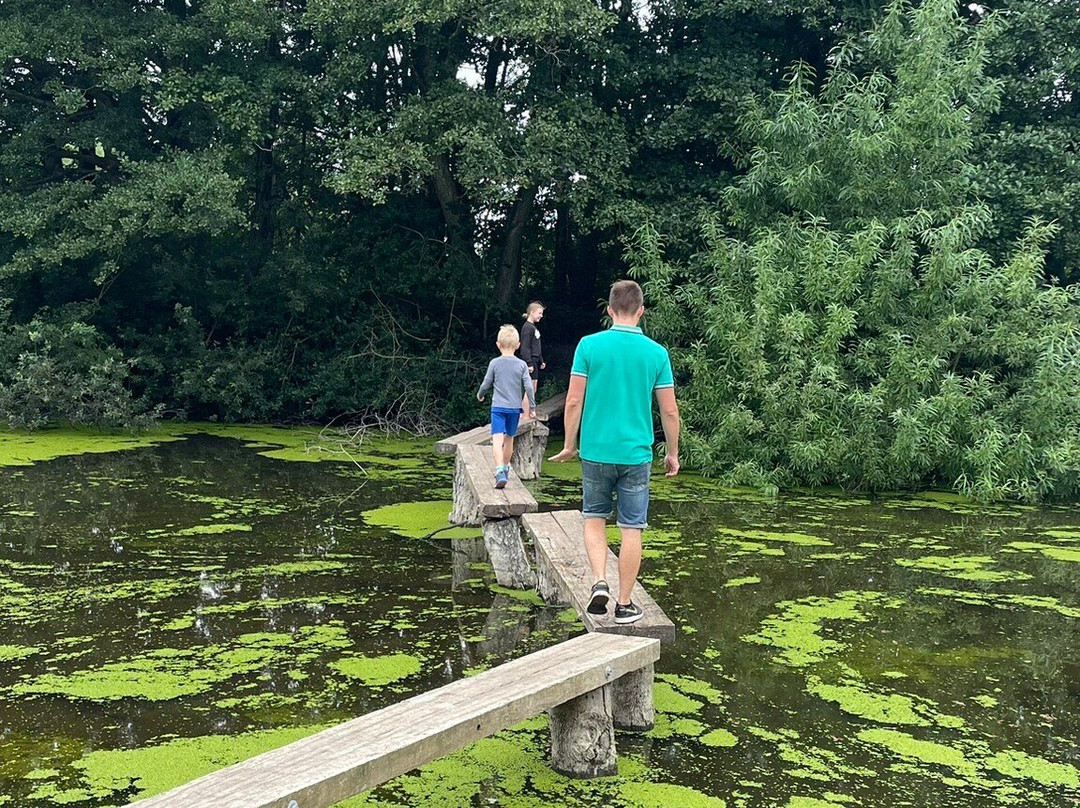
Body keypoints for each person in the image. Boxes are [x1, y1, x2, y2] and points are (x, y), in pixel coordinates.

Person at [548, 280, 680, 624]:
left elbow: (574, 399)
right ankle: (623, 604)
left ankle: (598, 582)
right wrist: (673, 452)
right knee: (631, 528)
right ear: (641, 311)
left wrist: (569, 444)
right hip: (636, 455)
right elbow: (669, 412)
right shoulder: (656, 353)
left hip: (595, 452)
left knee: (594, 517)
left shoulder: (589, 346)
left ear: (609, 311)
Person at [477, 324, 537, 489]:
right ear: (518, 346)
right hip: (514, 409)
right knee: (509, 438)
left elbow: (486, 383)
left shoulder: (495, 363)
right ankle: (505, 467)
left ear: (498, 344)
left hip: (498, 408)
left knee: (497, 439)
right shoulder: (522, 365)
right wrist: (531, 408)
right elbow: (529, 387)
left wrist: (480, 394)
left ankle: (499, 471)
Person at [519, 301, 546, 414]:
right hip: (530, 362)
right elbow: (525, 347)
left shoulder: (533, 328)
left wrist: (541, 361)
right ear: (531, 312)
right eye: (539, 313)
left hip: (535, 360)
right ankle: (524, 414)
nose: (541, 316)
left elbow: (536, 346)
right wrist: (529, 363)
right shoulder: (527, 328)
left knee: (533, 388)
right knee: (529, 389)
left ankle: (528, 412)